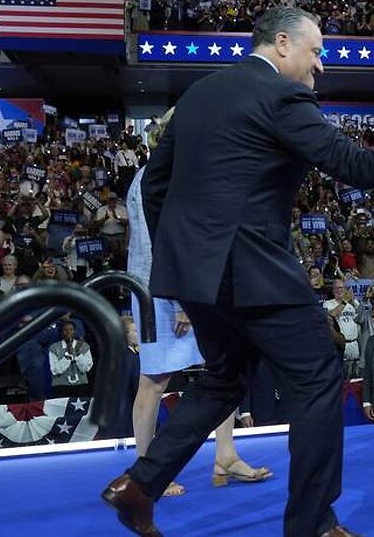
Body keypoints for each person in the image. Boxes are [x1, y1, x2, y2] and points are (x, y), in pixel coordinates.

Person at [102, 6, 374, 537]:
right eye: (316, 52)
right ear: (283, 43)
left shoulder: (197, 94)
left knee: (225, 377)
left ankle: (139, 484)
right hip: (251, 268)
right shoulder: (282, 95)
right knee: (319, 377)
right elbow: (357, 168)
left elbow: (154, 189)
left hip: (193, 273)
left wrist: (183, 258)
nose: (320, 67)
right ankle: (312, 524)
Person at [124, 113, 272, 499]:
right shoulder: (158, 177)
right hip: (163, 292)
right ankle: (146, 473)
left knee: (223, 370)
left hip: (186, 289)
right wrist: (184, 303)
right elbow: (161, 244)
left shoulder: (171, 173)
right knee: (154, 382)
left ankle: (225, 454)